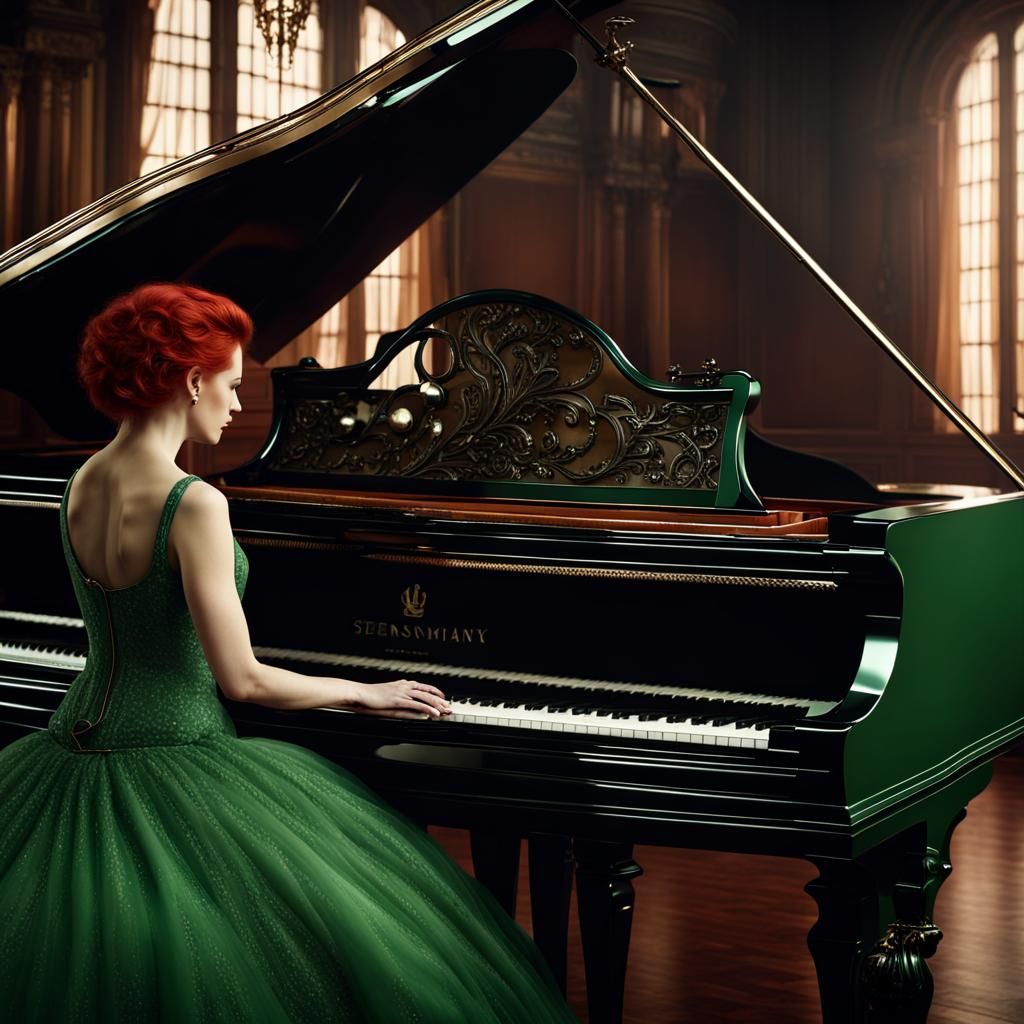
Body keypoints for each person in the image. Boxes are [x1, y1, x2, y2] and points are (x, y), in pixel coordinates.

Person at [0, 283, 576, 1023]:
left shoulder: (79, 483)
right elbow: (242, 681)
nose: (238, 406)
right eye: (234, 385)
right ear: (191, 379)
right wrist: (367, 691)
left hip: (68, 746)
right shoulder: (194, 502)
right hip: (178, 751)